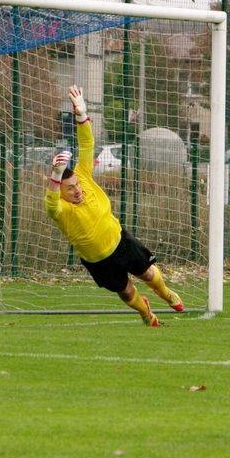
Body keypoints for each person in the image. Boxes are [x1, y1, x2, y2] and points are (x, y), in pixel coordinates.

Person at [45, 84, 185, 327]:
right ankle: (146, 314)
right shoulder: (60, 207)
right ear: (62, 191)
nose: (77, 190)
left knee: (149, 274)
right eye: (71, 189)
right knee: (126, 292)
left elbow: (87, 144)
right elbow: (51, 205)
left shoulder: (83, 175)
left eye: (77, 185)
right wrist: (56, 175)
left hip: (120, 242)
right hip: (96, 261)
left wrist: (81, 113)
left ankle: (167, 294)